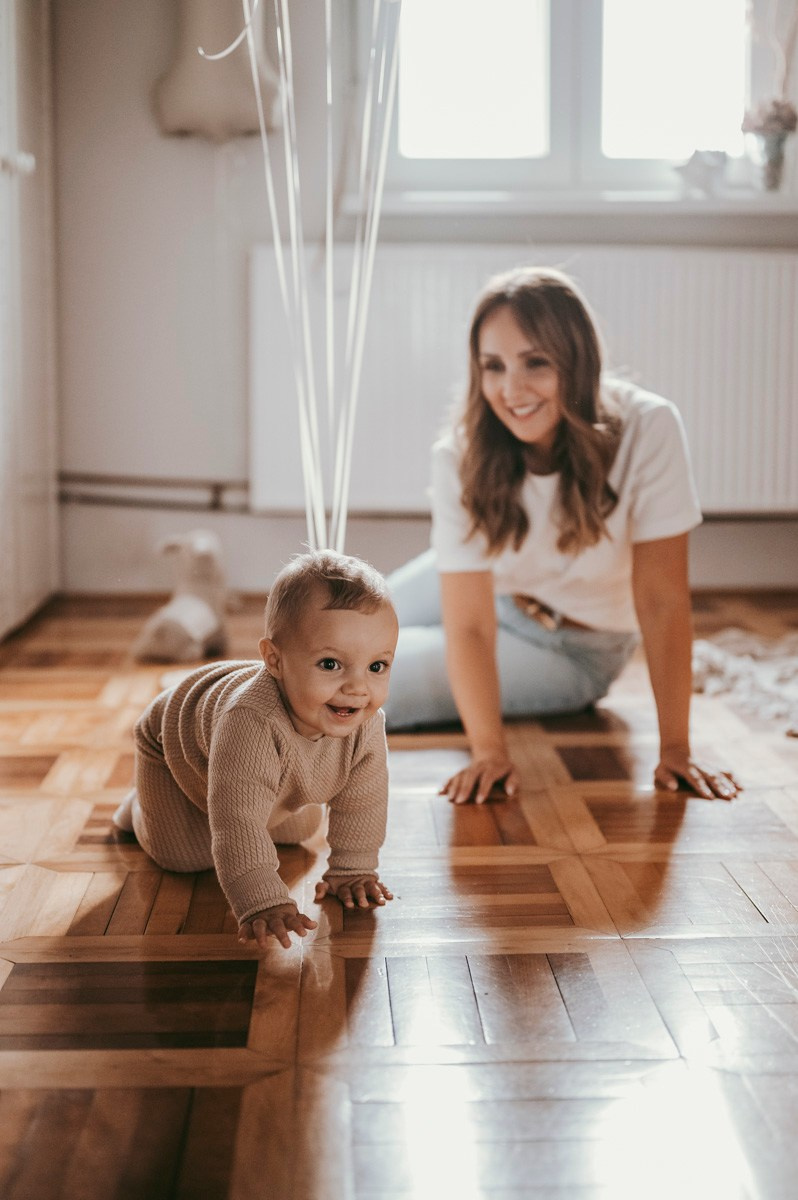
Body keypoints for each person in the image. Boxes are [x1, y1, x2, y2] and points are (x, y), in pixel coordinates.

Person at [383, 267, 740, 805]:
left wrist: (676, 748)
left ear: (577, 360)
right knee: (332, 634)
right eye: (493, 366)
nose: (511, 390)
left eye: (536, 362)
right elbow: (471, 624)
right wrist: (488, 751)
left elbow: (662, 601)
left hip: (572, 647)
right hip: (483, 590)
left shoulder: (649, 428)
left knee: (356, 683)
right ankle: (243, 704)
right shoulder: (461, 451)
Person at [114, 550, 399, 949]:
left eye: (376, 666)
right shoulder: (250, 723)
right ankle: (138, 806)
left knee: (300, 829)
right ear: (274, 660)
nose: (357, 688)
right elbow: (238, 825)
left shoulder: (366, 720)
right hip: (171, 749)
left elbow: (363, 800)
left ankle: (255, 793)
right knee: (186, 856)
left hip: (257, 773)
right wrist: (263, 901)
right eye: (331, 664)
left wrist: (353, 869)